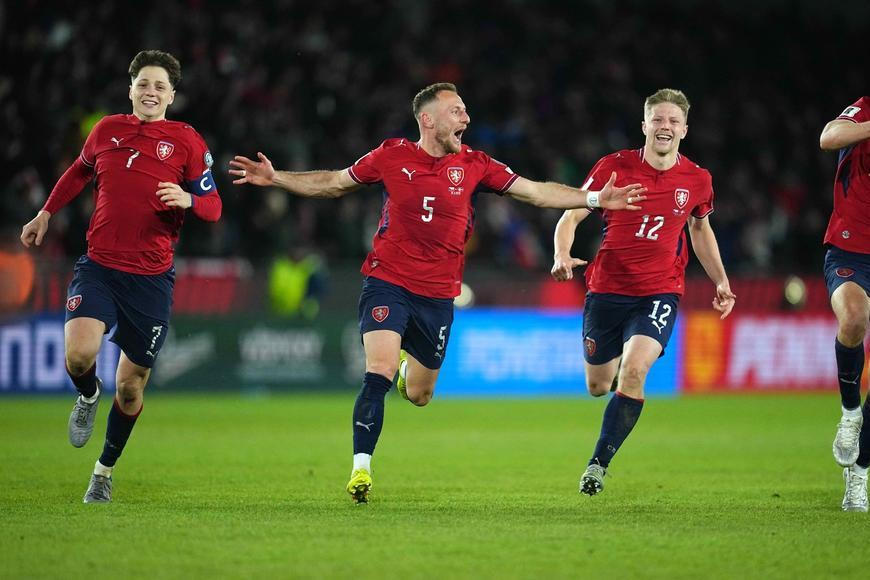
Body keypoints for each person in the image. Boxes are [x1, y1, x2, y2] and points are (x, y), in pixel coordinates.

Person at [229, 82, 647, 503]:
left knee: (420, 394)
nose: (466, 118)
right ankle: (361, 468)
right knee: (377, 371)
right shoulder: (391, 155)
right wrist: (277, 177)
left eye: (465, 111)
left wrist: (595, 198)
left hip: (438, 296)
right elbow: (335, 182)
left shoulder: (476, 164)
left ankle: (407, 372)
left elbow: (536, 191)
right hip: (387, 281)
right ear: (427, 119)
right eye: (456, 111)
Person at [19, 50, 221, 503]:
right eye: (143, 84)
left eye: (160, 86)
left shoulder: (187, 141)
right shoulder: (106, 130)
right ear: (130, 89)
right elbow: (78, 172)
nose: (151, 92)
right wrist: (46, 212)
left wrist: (189, 200)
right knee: (78, 356)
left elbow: (213, 206)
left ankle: (102, 473)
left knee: (130, 387)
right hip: (100, 267)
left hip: (150, 280)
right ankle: (88, 395)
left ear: (172, 95)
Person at [550, 88, 735, 497]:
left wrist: (721, 280)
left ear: (684, 130)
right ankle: (619, 380)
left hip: (660, 291)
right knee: (598, 385)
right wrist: (562, 254)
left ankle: (598, 465)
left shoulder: (698, 179)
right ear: (645, 125)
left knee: (635, 371)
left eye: (673, 121)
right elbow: (570, 216)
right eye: (658, 119)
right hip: (606, 290)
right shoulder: (614, 167)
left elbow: (700, 229)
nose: (665, 126)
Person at [819, 96, 870, 512]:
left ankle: (859, 472)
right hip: (851, 250)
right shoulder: (865, 109)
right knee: (853, 318)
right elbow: (829, 137)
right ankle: (850, 413)